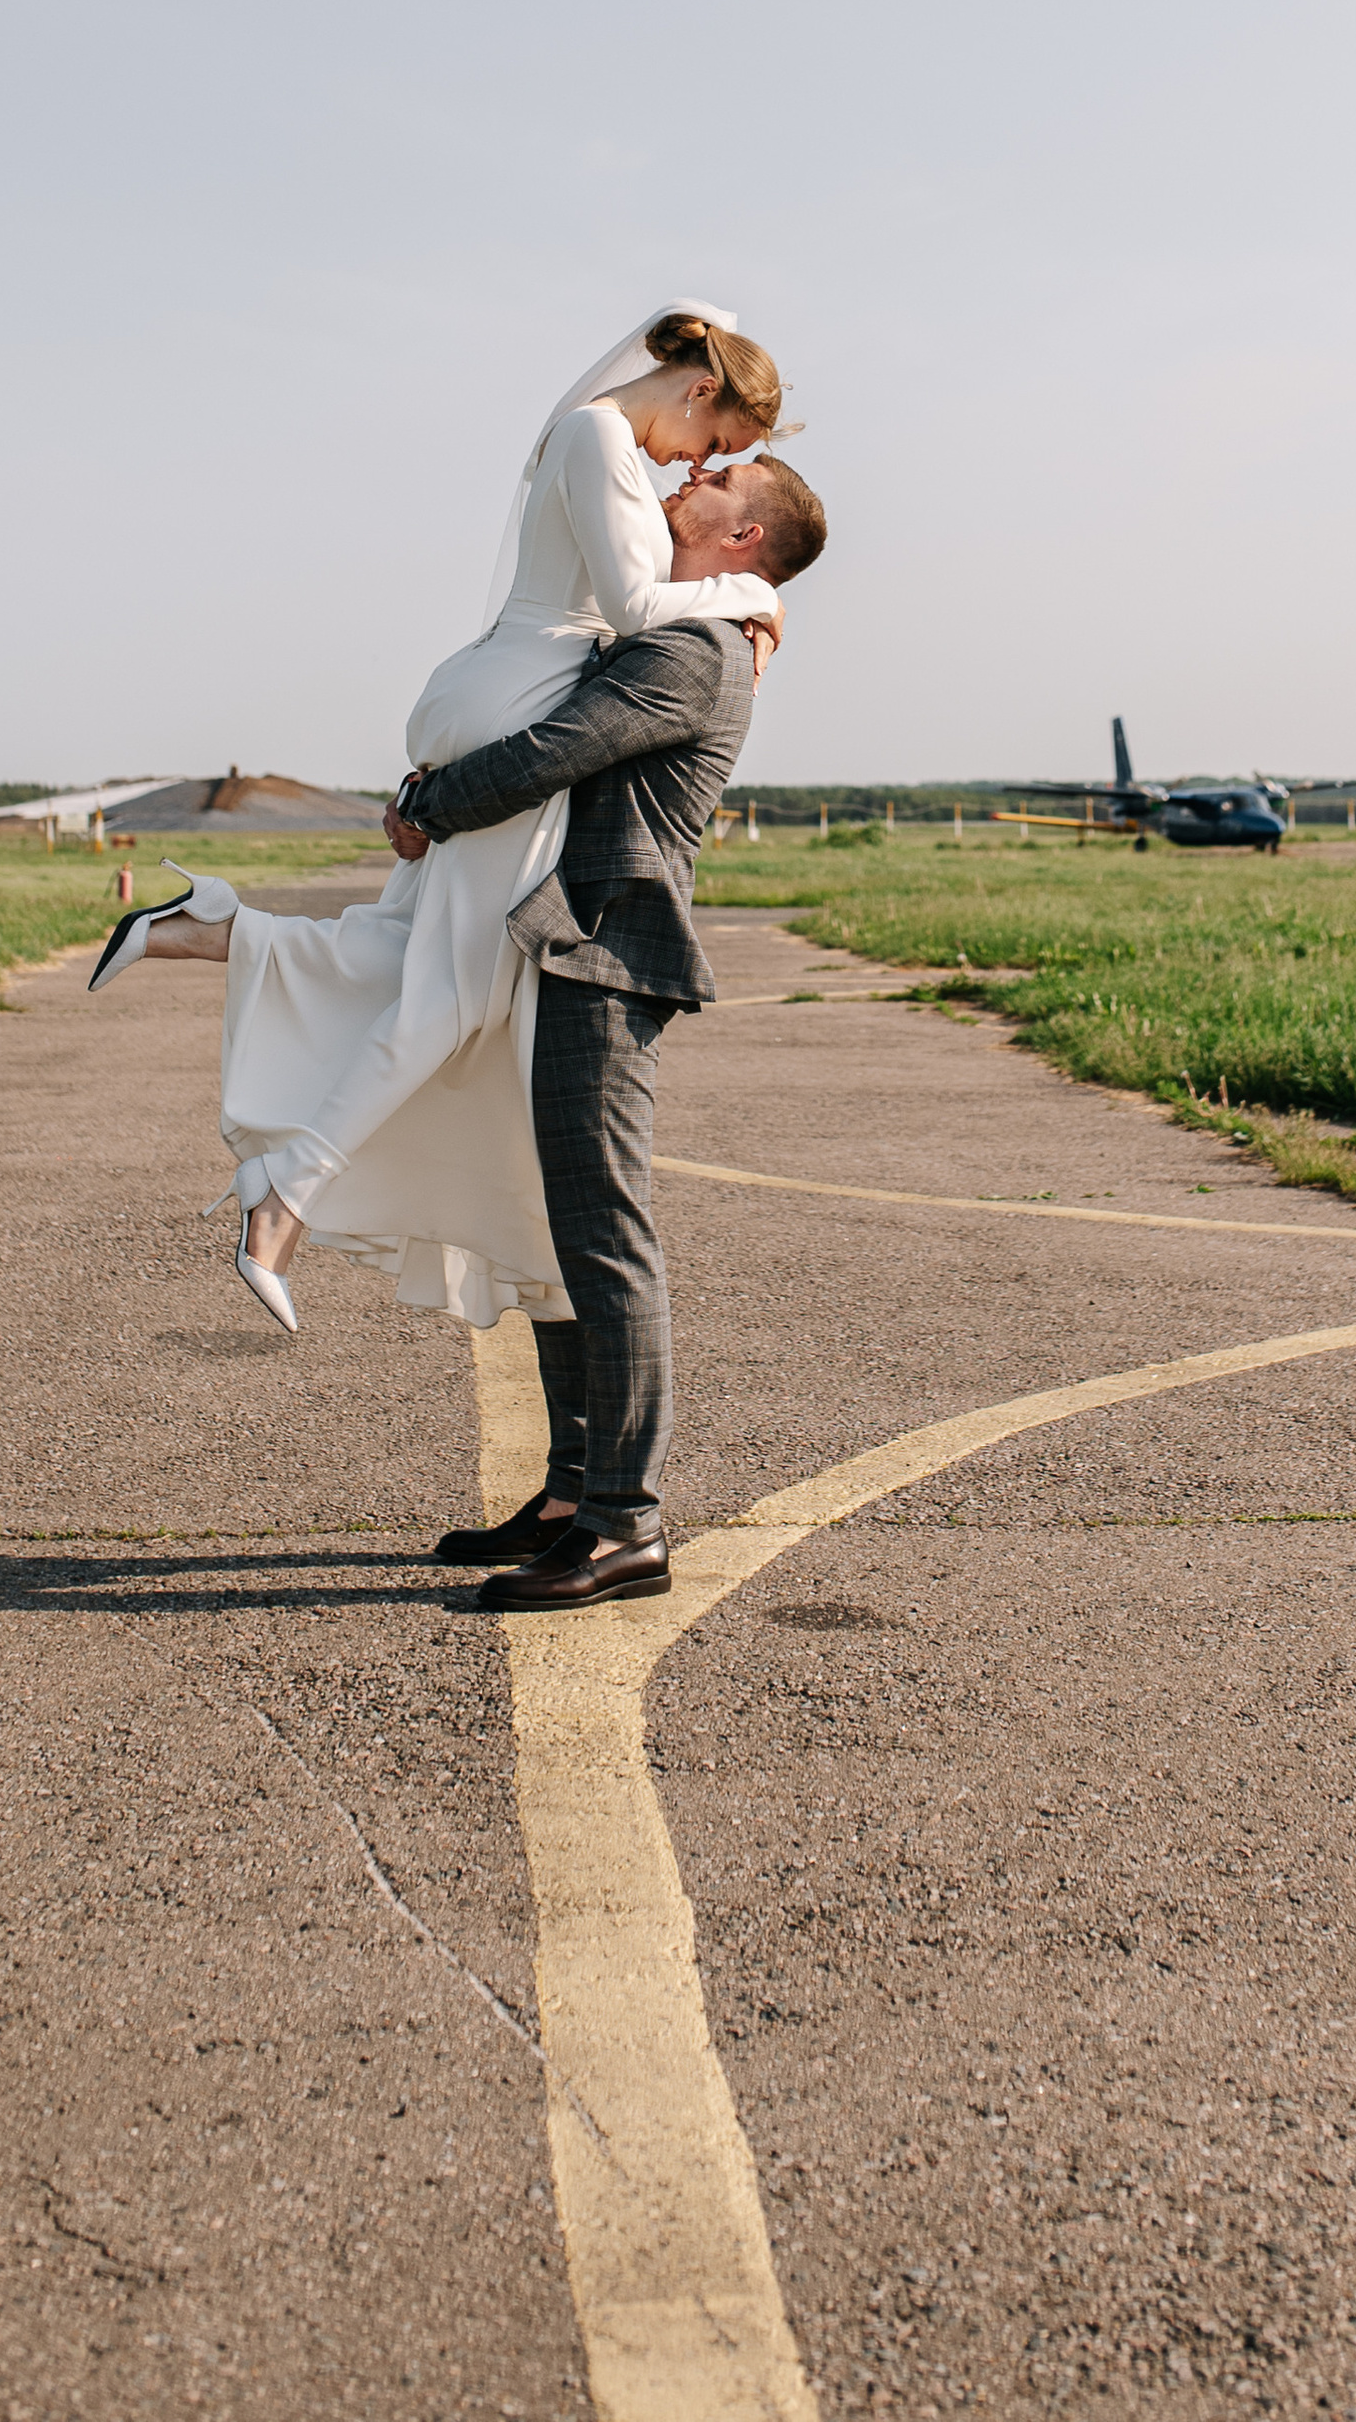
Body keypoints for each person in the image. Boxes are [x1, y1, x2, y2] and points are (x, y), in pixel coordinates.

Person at [87, 308, 790, 1335]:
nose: (703, 465)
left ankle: (210, 929)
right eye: (718, 443)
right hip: (516, 696)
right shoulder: (599, 435)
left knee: (407, 951)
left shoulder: (614, 450)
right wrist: (756, 590)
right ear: (697, 391)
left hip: (506, 685)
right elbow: (637, 608)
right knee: (454, 998)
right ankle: (284, 1197)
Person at [406, 444, 829, 1607]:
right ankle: (568, 1496)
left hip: (607, 958)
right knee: (552, 1230)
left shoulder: (692, 655)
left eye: (719, 486)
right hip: (566, 945)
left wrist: (428, 805)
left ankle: (623, 1524)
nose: (693, 480)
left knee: (602, 1235)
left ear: (741, 540)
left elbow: (556, 750)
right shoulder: (690, 625)